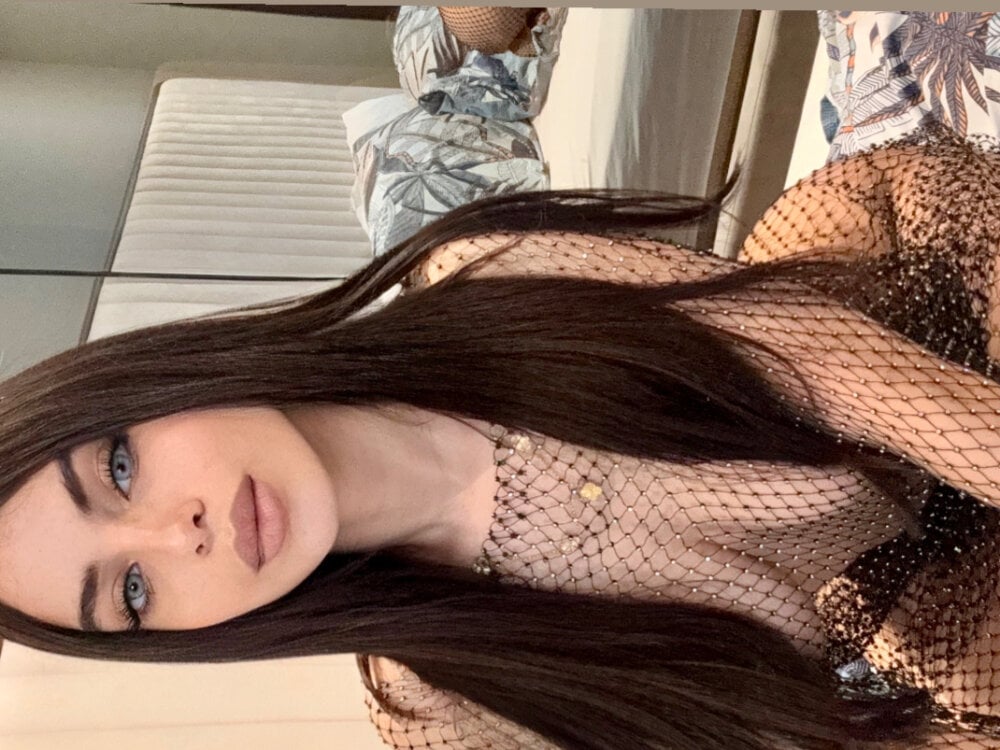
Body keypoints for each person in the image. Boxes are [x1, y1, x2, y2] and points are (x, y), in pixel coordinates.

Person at [0, 126, 999, 750]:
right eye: (132, 593)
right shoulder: (444, 713)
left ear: (154, 380)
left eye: (118, 468)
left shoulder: (488, 276)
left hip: (916, 324)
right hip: (914, 579)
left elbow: (850, 375)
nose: (180, 536)